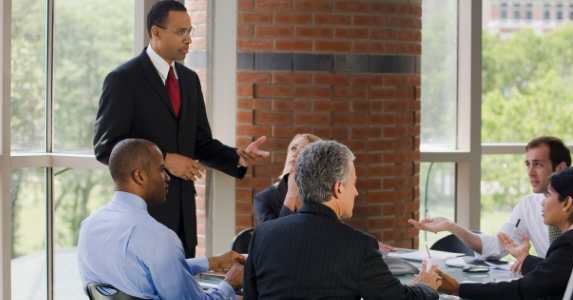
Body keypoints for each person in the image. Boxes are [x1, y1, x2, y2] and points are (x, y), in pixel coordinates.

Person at [93, 1, 268, 258]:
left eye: (190, 31)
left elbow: (199, 142)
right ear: (156, 32)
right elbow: (106, 148)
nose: (188, 40)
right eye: (180, 32)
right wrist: (165, 160)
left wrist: (236, 157)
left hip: (184, 219)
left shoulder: (189, 80)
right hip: (144, 217)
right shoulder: (122, 80)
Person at [244, 141, 441, 300]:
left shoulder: (263, 234)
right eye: (353, 183)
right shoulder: (359, 245)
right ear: (338, 188)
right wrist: (425, 287)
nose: (355, 191)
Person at [78, 139, 246, 299]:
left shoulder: (89, 226)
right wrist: (229, 284)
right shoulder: (159, 237)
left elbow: (149, 272)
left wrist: (213, 262)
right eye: (161, 169)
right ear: (140, 176)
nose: (167, 177)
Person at [436, 167, 573, 300]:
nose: (542, 202)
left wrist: (458, 289)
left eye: (549, 194)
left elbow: (523, 289)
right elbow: (558, 271)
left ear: (567, 202)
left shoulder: (569, 244)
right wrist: (526, 259)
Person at [409, 136, 571, 259]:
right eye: (528, 164)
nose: (530, 172)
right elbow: (495, 249)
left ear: (560, 167)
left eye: (538, 164)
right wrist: (451, 226)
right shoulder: (528, 205)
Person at [253, 134, 396, 251]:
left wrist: (362, 242)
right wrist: (291, 194)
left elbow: (331, 230)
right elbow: (275, 240)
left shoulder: (321, 191)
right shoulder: (264, 198)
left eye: (303, 150)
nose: (295, 154)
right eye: (293, 148)